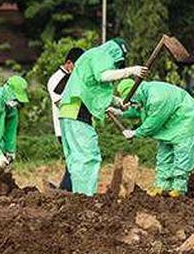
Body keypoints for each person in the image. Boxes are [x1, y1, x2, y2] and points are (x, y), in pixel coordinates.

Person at [58, 39, 146, 195]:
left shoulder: (90, 57)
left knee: (76, 160)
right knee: (88, 157)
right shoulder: (102, 54)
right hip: (78, 111)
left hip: (68, 112)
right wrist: (130, 71)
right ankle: (85, 198)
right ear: (116, 54)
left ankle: (78, 197)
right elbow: (103, 76)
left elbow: (93, 88)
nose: (115, 66)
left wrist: (118, 102)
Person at [110, 79, 194, 197]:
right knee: (164, 153)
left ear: (134, 93)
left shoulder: (156, 97)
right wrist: (120, 113)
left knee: (183, 153)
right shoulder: (144, 94)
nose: (132, 103)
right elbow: (139, 109)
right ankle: (162, 186)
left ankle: (179, 188)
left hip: (186, 118)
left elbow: (152, 124)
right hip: (170, 122)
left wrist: (135, 133)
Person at [47, 47, 85, 191]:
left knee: (76, 161)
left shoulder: (75, 77)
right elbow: (60, 102)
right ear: (69, 63)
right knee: (74, 161)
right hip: (64, 127)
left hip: (77, 125)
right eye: (78, 65)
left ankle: (67, 191)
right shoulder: (56, 79)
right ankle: (65, 191)